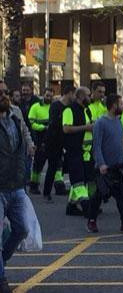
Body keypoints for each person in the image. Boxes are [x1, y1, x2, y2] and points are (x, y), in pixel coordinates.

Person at [89, 94, 123, 233]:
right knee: (99, 195)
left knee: (121, 197)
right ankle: (92, 221)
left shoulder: (118, 122)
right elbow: (97, 146)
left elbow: (119, 146)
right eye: (121, 103)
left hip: (118, 167)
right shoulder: (100, 123)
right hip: (105, 168)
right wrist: (101, 164)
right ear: (113, 105)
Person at [0, 88, 31, 293]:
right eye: (0, 93)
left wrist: (31, 145)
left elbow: (25, 133)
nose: (5, 95)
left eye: (5, 92)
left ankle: (1, 260)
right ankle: (1, 280)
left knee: (22, 228)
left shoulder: (15, 113)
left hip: (16, 184)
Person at [61, 87, 95, 217]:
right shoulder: (69, 110)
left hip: (86, 151)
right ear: (81, 97)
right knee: (78, 180)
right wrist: (86, 128)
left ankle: (71, 206)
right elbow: (66, 129)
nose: (90, 97)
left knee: (83, 179)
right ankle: (87, 207)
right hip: (74, 150)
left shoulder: (86, 110)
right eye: (88, 95)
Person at [44, 85, 74, 200]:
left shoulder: (71, 106)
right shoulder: (56, 105)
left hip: (66, 140)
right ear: (69, 93)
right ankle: (47, 192)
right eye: (73, 94)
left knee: (67, 164)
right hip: (54, 140)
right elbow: (53, 123)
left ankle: (66, 188)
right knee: (52, 166)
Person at [27, 88, 54, 194]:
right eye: (47, 95)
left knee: (57, 164)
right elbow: (31, 123)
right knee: (38, 163)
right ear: (43, 95)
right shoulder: (35, 107)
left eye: (51, 96)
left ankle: (59, 185)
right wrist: (43, 127)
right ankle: (34, 185)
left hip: (52, 138)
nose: (49, 98)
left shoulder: (53, 107)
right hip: (40, 137)